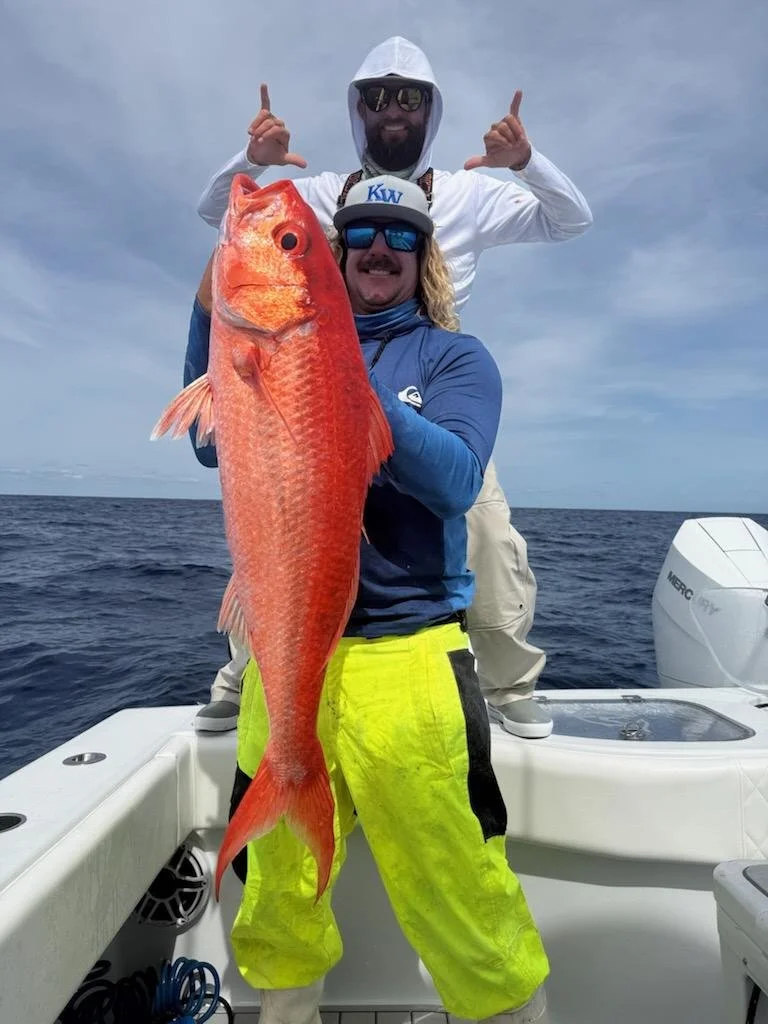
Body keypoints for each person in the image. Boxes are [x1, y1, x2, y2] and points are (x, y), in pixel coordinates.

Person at [185, 173, 550, 1024]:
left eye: (399, 235)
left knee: (461, 890)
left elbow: (459, 480)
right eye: (356, 235)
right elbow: (214, 447)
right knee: (275, 892)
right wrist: (210, 313)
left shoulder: (455, 359)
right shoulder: (274, 337)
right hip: (285, 659)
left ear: (423, 256)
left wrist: (342, 383)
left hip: (409, 655)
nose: (378, 249)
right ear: (338, 255)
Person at [193, 35, 593, 739]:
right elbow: (220, 217)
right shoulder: (319, 193)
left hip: (430, 374)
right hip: (329, 366)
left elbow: (570, 219)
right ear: (358, 110)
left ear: (430, 110)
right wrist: (249, 163)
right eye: (376, 96)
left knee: (490, 535)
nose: (393, 108)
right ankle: (248, 671)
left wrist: (525, 164)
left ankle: (508, 683)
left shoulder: (470, 192)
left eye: (408, 95)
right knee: (285, 527)